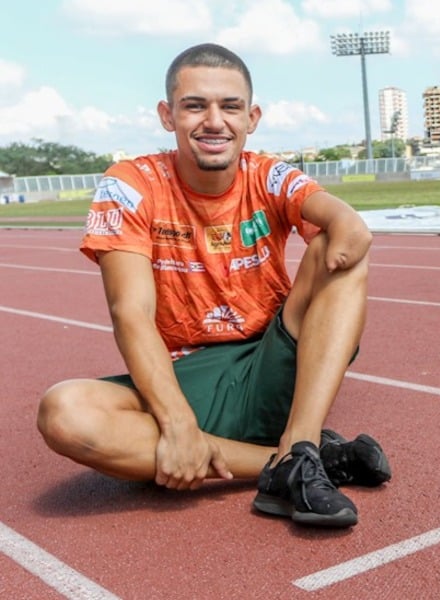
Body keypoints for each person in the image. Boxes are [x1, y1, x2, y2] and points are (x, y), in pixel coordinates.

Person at [36, 42, 390, 529]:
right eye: (195, 105)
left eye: (230, 106)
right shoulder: (130, 183)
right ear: (168, 115)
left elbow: (346, 227)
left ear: (252, 117)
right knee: (64, 412)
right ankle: (294, 462)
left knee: (339, 251)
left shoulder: (268, 174)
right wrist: (178, 423)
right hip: (186, 378)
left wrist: (346, 225)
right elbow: (129, 312)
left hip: (270, 362)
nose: (214, 121)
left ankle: (301, 443)